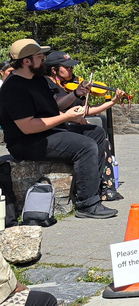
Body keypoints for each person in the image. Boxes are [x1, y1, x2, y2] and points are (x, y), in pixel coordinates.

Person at [0, 39, 118, 219]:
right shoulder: (14, 88)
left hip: (48, 131)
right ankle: (87, 204)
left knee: (96, 133)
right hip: (28, 142)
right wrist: (66, 117)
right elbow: (28, 127)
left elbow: (54, 107)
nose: (44, 60)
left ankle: (99, 188)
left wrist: (76, 94)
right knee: (85, 146)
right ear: (26, 61)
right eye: (40, 56)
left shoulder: (37, 79)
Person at [44, 50, 124, 201]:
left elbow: (85, 110)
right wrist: (72, 116)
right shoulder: (47, 84)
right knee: (94, 140)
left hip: (71, 123)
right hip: (59, 126)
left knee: (100, 135)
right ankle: (99, 189)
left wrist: (112, 102)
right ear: (53, 69)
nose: (71, 70)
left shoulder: (72, 85)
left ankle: (105, 186)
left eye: (71, 67)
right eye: (66, 67)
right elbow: (53, 108)